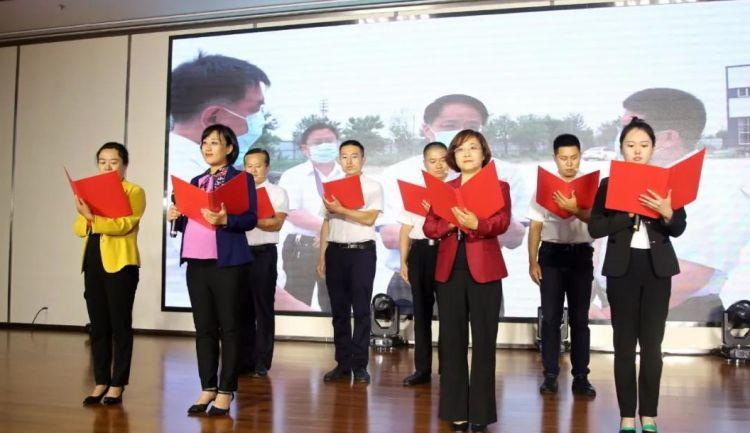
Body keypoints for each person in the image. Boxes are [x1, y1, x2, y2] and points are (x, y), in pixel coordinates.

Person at [379, 94, 526, 311]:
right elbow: (390, 237)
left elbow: (515, 237)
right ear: (427, 129)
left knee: (481, 331)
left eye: (472, 127)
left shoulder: (504, 173)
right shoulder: (399, 173)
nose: (461, 133)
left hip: (478, 275)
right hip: (414, 277)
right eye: (450, 126)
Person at [588, 118, 687, 433]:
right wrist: (627, 213)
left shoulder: (666, 182)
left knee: (653, 345)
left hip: (657, 270)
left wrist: (667, 212)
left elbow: (679, 227)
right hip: (623, 269)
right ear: (621, 149)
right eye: (630, 145)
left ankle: (649, 415)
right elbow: (595, 227)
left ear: (653, 148)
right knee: (624, 345)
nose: (637, 150)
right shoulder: (608, 184)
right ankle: (627, 416)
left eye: (644, 145)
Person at [424, 130, 511, 433]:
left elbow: (502, 221)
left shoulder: (499, 186)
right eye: (460, 149)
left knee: (484, 343)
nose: (467, 154)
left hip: (485, 270)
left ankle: (481, 414)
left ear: (484, 154)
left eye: (473, 148)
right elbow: (430, 227)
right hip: (450, 272)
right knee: (452, 343)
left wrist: (477, 223)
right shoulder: (444, 188)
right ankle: (456, 411)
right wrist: (451, 223)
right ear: (454, 157)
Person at [165, 54, 269, 308]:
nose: (259, 120)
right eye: (254, 110)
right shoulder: (189, 175)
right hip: (203, 274)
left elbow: (248, 219)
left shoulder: (230, 176)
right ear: (213, 117)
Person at [167, 124, 258, 416]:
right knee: (204, 328)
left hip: (226, 263)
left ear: (229, 148)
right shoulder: (196, 181)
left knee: (229, 328)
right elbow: (191, 220)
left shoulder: (241, 179)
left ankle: (226, 390)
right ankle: (207, 387)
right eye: (204, 142)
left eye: (214, 142)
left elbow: (250, 219)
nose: (207, 147)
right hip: (196, 262)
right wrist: (176, 216)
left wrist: (225, 220)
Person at [75, 142, 145, 406]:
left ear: (124, 165)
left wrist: (92, 218)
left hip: (121, 265)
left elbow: (125, 225)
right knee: (98, 327)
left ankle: (117, 384)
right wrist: (86, 216)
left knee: (120, 326)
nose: (107, 166)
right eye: (102, 162)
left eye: (113, 162)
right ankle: (101, 381)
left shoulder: (133, 191)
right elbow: (78, 228)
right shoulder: (90, 192)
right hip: (93, 262)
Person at [527, 134, 596, 396]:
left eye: (574, 158)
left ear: (580, 156)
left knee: (580, 319)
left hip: (581, 256)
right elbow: (535, 226)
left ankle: (581, 376)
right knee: (551, 318)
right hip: (551, 255)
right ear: (555, 158)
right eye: (563, 158)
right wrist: (532, 261)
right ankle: (550, 375)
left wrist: (575, 208)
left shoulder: (590, 185)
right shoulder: (544, 187)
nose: (569, 163)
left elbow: (596, 221)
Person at [316, 140, 383, 384]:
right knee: (339, 311)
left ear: (363, 160)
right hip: (335, 252)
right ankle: (342, 364)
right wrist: (322, 256)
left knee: (362, 310)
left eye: (354, 156)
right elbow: (326, 223)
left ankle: (360, 365)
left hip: (362, 253)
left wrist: (342, 209)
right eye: (344, 157)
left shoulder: (373, 186)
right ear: (339, 160)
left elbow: (369, 219)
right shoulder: (331, 188)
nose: (349, 161)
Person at [278, 123, 344, 311]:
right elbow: (291, 212)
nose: (324, 145)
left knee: (335, 302)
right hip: (302, 246)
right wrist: (325, 229)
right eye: (318, 142)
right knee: (297, 301)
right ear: (305, 149)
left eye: (329, 141)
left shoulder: (348, 175)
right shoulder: (293, 175)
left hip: (337, 245)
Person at [400, 142, 449, 386]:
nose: (439, 165)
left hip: (447, 251)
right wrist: (403, 261)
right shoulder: (416, 192)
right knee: (421, 313)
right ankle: (422, 370)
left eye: (443, 159)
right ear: (425, 163)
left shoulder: (456, 189)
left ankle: (449, 369)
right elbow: (405, 229)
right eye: (433, 160)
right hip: (420, 252)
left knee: (450, 314)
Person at [240, 148, 289, 377]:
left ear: (267, 168)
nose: (253, 170)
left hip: (263, 254)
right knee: (241, 309)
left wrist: (247, 219)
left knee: (263, 308)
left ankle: (262, 361)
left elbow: (276, 224)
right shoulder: (237, 193)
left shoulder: (277, 192)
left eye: (258, 166)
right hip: (239, 254)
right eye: (248, 166)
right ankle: (244, 359)